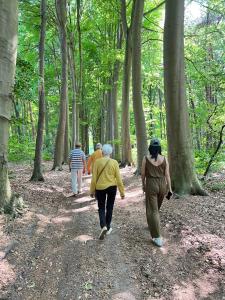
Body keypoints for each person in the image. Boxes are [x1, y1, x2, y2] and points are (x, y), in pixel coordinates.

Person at [141, 138, 172, 247]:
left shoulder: (146, 158)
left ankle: (157, 237)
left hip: (151, 184)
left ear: (150, 148)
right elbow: (167, 175)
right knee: (156, 209)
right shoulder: (164, 159)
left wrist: (143, 185)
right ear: (159, 148)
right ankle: (153, 225)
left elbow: (143, 174)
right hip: (162, 185)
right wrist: (170, 188)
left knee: (153, 210)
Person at [90, 144, 125, 240]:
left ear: (102, 152)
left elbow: (94, 179)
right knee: (109, 207)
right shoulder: (114, 162)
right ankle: (108, 226)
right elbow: (118, 178)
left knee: (101, 207)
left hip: (100, 188)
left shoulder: (97, 162)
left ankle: (103, 226)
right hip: (112, 188)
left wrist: (92, 191)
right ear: (111, 152)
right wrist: (122, 192)